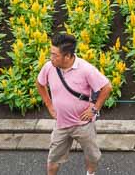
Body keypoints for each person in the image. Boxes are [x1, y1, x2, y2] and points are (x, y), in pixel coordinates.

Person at [37, 32, 112, 175]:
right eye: (51, 53)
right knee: (53, 159)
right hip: (61, 124)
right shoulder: (49, 67)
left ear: (67, 56)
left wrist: (94, 109)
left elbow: (106, 87)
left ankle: (90, 173)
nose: (51, 58)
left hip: (84, 124)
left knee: (92, 155)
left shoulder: (86, 69)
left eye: (55, 55)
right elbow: (40, 84)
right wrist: (49, 105)